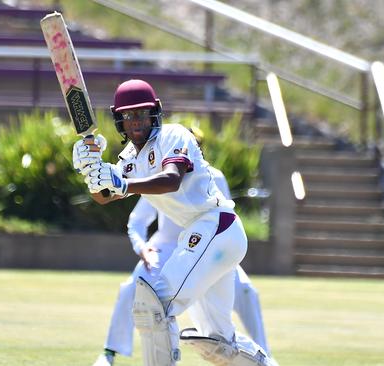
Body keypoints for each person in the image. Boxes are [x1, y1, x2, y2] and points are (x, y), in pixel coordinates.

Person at [73, 79, 277, 366]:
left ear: (155, 111)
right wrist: (90, 169)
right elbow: (104, 196)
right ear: (119, 120)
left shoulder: (173, 135)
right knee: (218, 342)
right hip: (205, 237)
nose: (136, 121)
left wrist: (123, 184)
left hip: (215, 227)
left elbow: (171, 179)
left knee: (154, 305)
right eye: (129, 116)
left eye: (142, 113)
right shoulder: (129, 160)